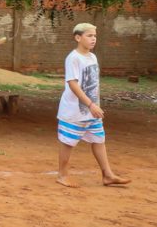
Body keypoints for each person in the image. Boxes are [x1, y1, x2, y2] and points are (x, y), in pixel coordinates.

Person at [55, 23, 131, 188]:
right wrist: (90, 104)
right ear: (78, 37)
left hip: (92, 110)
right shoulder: (73, 58)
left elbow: (93, 83)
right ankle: (62, 175)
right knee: (68, 141)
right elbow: (73, 84)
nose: (93, 39)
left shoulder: (92, 57)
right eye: (89, 36)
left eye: (95, 36)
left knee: (98, 139)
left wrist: (95, 105)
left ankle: (108, 175)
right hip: (74, 110)